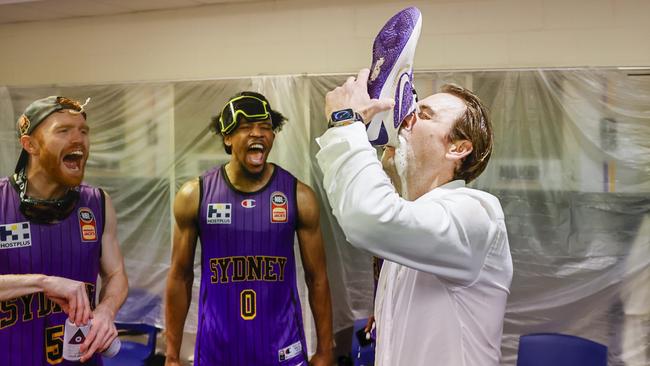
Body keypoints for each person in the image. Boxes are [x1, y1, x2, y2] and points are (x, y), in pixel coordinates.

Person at [316, 69, 513, 366]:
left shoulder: (477, 212)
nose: (406, 119)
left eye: (425, 115)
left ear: (458, 148)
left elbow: (367, 217)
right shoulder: (411, 231)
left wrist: (346, 120)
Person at [165, 91, 333, 366]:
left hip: (282, 351)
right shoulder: (194, 194)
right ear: (227, 138)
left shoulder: (298, 195)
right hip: (217, 351)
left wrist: (325, 349)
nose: (258, 134)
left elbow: (317, 278)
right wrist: (171, 356)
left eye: (266, 127)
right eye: (245, 128)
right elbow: (179, 277)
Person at [0, 96, 128, 365]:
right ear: (30, 144)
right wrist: (43, 282)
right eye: (63, 130)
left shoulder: (98, 203)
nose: (78, 139)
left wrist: (106, 311)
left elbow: (116, 274)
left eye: (83, 131)